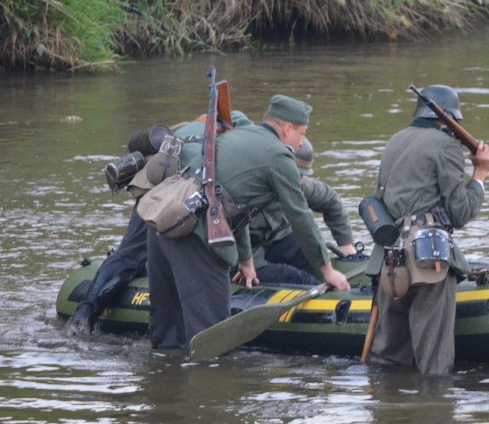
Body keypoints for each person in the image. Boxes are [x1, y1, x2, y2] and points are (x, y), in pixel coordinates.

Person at [147, 94, 351, 351]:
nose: (301, 144)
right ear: (287, 129)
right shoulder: (278, 156)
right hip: (196, 234)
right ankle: (209, 389)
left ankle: (163, 384)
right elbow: (301, 217)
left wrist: (245, 261)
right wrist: (327, 270)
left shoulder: (236, 136)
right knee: (213, 343)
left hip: (162, 224)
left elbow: (236, 204)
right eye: (302, 134)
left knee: (166, 339)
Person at [64, 111, 253, 335]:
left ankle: (85, 314)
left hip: (161, 186)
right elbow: (231, 202)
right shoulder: (232, 145)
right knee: (138, 253)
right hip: (169, 191)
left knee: (130, 253)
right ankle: (87, 311)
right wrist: (246, 257)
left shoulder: (202, 124)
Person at [363, 84, 489, 374]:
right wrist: (480, 175)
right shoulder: (445, 145)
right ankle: (433, 414)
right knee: (435, 364)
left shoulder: (395, 140)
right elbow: (460, 211)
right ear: (450, 119)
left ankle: (387, 412)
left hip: (389, 259)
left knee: (388, 360)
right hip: (427, 259)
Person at [250, 137, 358, 285]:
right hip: (248, 254)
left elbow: (330, 201)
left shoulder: (299, 186)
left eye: (302, 176)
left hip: (278, 242)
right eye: (297, 174)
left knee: (314, 253)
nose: (301, 181)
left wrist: (346, 243)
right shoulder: (247, 192)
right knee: (300, 279)